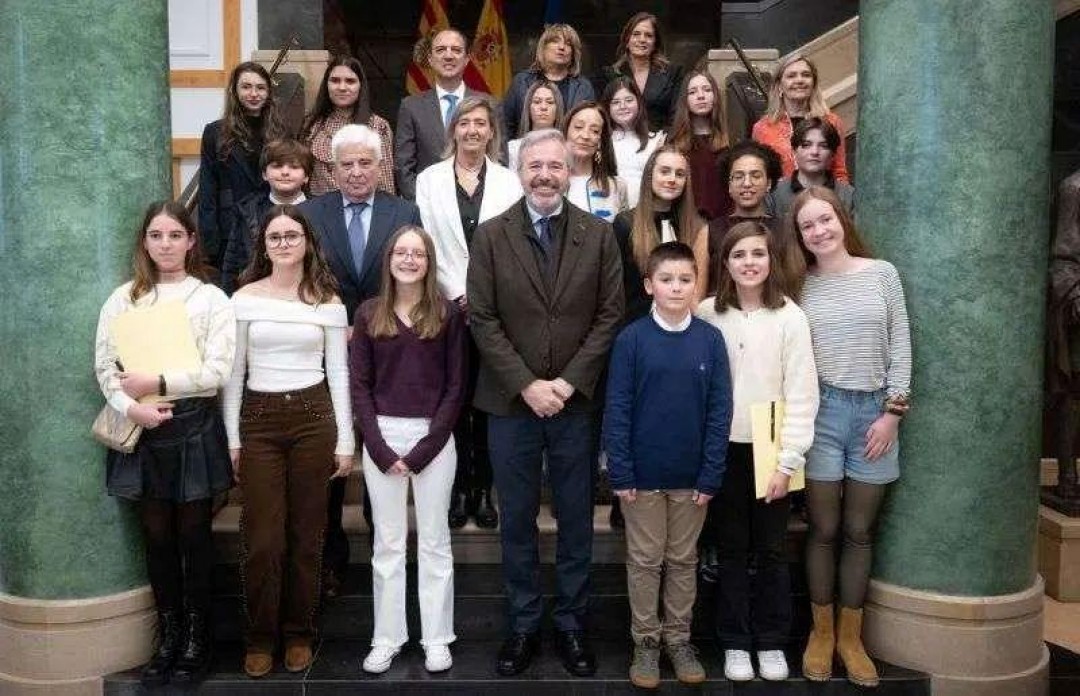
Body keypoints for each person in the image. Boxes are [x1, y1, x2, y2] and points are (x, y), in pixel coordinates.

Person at [467, 128, 624, 678]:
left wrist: (568, 383)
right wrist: (528, 385)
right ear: (520, 171)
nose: (545, 176)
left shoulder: (598, 235)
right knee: (516, 521)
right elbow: (482, 318)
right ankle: (524, 624)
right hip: (511, 405)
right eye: (535, 166)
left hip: (575, 406)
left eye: (555, 166)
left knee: (576, 519)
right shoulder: (490, 235)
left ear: (569, 172)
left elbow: (609, 315)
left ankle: (573, 624)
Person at [95, 201, 236, 685]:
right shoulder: (123, 298)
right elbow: (104, 367)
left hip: (192, 424)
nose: (165, 244)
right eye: (156, 235)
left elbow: (217, 371)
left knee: (194, 537)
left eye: (175, 235)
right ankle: (169, 635)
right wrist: (129, 406)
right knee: (156, 539)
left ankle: (198, 637)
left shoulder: (211, 298)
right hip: (142, 428)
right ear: (145, 241)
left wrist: (157, 381)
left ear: (191, 241)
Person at [223, 204, 355, 678]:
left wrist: (345, 440)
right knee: (262, 538)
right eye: (274, 237)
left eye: (291, 236)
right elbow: (233, 374)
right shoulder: (243, 298)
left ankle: (300, 632)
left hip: (314, 419)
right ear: (264, 246)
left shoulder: (328, 301)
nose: (283, 243)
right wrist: (233, 437)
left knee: (307, 534)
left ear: (307, 243)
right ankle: (260, 637)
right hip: (259, 421)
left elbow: (338, 373)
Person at [792, 186, 911, 688]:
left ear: (841, 219)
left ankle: (850, 637)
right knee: (823, 528)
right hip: (821, 413)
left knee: (859, 530)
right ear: (799, 236)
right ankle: (820, 633)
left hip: (874, 414)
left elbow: (901, 345)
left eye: (825, 220)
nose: (819, 231)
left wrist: (892, 414)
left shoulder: (882, 273)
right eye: (808, 226)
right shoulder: (800, 284)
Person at [299, 123, 421, 596]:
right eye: (346, 164)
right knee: (329, 456)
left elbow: (411, 279)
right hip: (322, 356)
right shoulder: (310, 214)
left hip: (387, 352)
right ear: (332, 169)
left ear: (380, 165)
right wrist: (335, 325)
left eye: (364, 163)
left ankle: (384, 550)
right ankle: (330, 559)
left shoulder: (403, 212)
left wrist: (369, 325)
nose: (355, 172)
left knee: (378, 448)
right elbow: (302, 279)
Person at [695, 221, 819, 682]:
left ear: (771, 260)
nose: (749, 262)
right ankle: (733, 641)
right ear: (725, 263)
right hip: (721, 448)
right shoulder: (708, 313)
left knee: (770, 549)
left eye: (758, 254)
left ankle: (771, 641)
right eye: (739, 254)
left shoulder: (790, 316)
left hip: (773, 447)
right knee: (729, 548)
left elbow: (802, 393)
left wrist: (788, 461)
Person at [605, 241, 731, 689]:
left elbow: (720, 411)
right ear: (649, 286)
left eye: (684, 279)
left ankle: (678, 639)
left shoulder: (709, 340)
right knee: (645, 560)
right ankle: (646, 641)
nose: (676, 287)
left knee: (682, 560)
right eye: (666, 279)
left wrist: (711, 473)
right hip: (642, 478)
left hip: (691, 479)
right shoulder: (632, 340)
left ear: (696, 284)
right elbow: (618, 409)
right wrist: (620, 470)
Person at [351, 225, 467, 674]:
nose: (409, 259)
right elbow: (360, 387)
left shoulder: (445, 313)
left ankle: (437, 638)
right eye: (401, 252)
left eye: (418, 253)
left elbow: (455, 386)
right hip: (382, 434)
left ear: (428, 262)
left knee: (435, 541)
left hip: (432, 436)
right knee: (388, 543)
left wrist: (426, 447)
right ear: (389, 260)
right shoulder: (369, 313)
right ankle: (387, 638)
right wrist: (378, 447)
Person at [416, 96, 522, 529]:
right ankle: (459, 489)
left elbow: (513, 245)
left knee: (490, 404)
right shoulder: (428, 180)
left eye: (481, 123)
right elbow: (426, 242)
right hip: (447, 307)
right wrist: (459, 293)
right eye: (465, 123)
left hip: (495, 309)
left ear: (492, 131)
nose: (473, 130)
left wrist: (480, 296)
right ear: (453, 130)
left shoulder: (510, 181)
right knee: (455, 401)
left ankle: (484, 490)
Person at [199, 61, 288, 269]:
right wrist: (210, 240)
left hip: (273, 222)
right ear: (235, 91)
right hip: (229, 227)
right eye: (246, 87)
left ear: (268, 92)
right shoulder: (215, 132)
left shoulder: (282, 132)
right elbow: (207, 188)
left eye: (260, 87)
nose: (254, 94)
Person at [613, 145, 707, 323]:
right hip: (635, 325)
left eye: (680, 174)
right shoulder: (625, 223)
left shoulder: (696, 227)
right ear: (650, 175)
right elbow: (614, 289)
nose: (672, 179)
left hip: (682, 326)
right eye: (664, 171)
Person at [395, 28, 490, 200]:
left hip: (480, 206)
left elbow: (499, 159)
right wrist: (425, 204)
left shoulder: (489, 104)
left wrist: (478, 203)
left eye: (456, 50)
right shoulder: (411, 107)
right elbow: (403, 167)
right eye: (440, 50)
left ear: (467, 59)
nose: (448, 56)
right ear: (430, 60)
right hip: (427, 206)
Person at [221, 138, 313, 293]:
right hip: (256, 293)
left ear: (306, 176)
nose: (285, 172)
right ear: (264, 173)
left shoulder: (321, 211)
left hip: (308, 292)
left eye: (294, 167)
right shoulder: (247, 210)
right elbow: (232, 262)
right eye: (277, 166)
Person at [302, 55, 396, 196]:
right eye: (335, 80)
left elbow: (386, 183)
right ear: (326, 85)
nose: (342, 87)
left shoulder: (378, 126)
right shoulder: (312, 124)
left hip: (365, 206)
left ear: (361, 86)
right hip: (320, 205)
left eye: (350, 81)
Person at [705, 140, 789, 295]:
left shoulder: (785, 230)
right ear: (729, 185)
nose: (747, 183)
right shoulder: (709, 231)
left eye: (755, 176)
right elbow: (697, 293)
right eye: (738, 177)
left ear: (768, 183)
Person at [753, 54, 849, 183]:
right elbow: (760, 174)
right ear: (779, 86)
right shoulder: (762, 128)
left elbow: (839, 172)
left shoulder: (832, 122)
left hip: (822, 194)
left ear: (813, 84)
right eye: (791, 76)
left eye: (806, 75)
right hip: (780, 195)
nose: (799, 80)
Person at [501, 24, 595, 139]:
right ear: (543, 48)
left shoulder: (583, 86)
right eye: (555, 41)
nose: (562, 47)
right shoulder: (521, 81)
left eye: (568, 44)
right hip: (525, 147)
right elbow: (505, 125)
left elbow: (590, 124)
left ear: (573, 53)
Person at [598, 12, 682, 132]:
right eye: (636, 34)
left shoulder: (673, 74)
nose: (642, 39)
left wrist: (664, 139)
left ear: (655, 43)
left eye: (648, 35)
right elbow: (603, 116)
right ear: (627, 41)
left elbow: (677, 116)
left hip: (661, 139)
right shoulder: (609, 75)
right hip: (619, 139)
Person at [669, 69, 732, 222]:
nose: (701, 96)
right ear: (685, 100)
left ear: (715, 96)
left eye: (707, 90)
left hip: (724, 221)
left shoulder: (730, 141)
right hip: (686, 221)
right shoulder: (674, 144)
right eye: (692, 92)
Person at [771, 117, 854, 221]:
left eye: (823, 146)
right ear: (794, 151)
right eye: (806, 145)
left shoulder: (848, 196)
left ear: (833, 154)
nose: (814, 152)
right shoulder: (775, 195)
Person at [601, 76, 666, 207]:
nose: (623, 106)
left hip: (645, 210)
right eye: (615, 102)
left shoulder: (657, 140)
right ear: (607, 107)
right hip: (608, 209)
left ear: (639, 102)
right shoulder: (601, 140)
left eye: (629, 100)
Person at [562, 101, 629, 223]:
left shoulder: (617, 186)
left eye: (595, 131)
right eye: (578, 127)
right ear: (566, 132)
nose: (585, 136)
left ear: (600, 142)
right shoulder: (550, 181)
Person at [507, 80, 566, 172]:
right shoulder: (513, 148)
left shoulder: (567, 149)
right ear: (528, 108)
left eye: (550, 102)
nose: (543, 107)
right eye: (537, 102)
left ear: (558, 109)